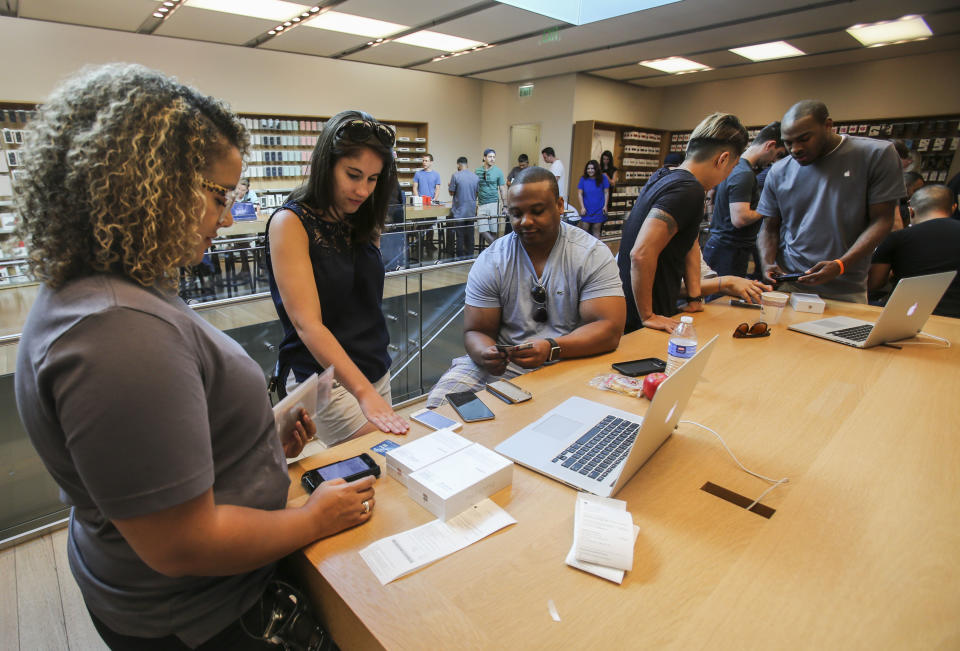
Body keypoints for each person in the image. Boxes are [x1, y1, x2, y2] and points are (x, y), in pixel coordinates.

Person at [14, 64, 373, 650]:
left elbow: (146, 462)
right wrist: (312, 519)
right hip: (205, 615)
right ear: (146, 183)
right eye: (218, 195)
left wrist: (250, 442)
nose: (227, 217)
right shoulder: (117, 332)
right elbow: (181, 542)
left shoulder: (107, 290)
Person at [426, 166, 625, 407]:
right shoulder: (493, 259)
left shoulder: (591, 254)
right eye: (516, 213)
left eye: (537, 211)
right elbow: (476, 330)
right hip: (506, 366)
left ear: (560, 206)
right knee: (438, 407)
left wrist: (552, 348)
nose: (525, 222)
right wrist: (486, 354)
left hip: (571, 359)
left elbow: (609, 329)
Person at [266, 110, 409, 446]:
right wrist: (363, 392)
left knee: (379, 472)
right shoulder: (290, 223)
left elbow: (366, 300)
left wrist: (369, 388)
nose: (362, 190)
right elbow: (307, 325)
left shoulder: (362, 219)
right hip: (325, 379)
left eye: (372, 179)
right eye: (353, 175)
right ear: (325, 165)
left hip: (374, 367)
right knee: (383, 454)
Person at [757, 100, 905, 302]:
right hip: (791, 285)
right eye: (788, 142)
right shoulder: (778, 171)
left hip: (846, 288)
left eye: (804, 139)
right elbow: (769, 228)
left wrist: (841, 264)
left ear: (828, 125)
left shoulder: (875, 154)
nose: (795, 149)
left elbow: (883, 220)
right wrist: (767, 263)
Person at [618, 113, 749, 333]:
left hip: (642, 308)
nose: (728, 175)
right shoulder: (689, 190)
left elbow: (691, 243)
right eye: (732, 167)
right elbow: (641, 253)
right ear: (723, 159)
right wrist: (648, 315)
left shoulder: (665, 175)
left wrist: (694, 296)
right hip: (643, 318)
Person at [701, 122, 785, 278]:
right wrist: (767, 209)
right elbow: (740, 218)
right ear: (770, 145)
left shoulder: (734, 167)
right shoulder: (744, 173)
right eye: (778, 154)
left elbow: (712, 198)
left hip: (726, 247)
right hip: (729, 250)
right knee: (721, 299)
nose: (774, 160)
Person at [868, 184, 960, 317]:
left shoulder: (897, 238)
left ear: (911, 211)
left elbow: (874, 283)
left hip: (906, 316)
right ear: (953, 208)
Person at [448, 156, 479, 259]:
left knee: (460, 235)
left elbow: (452, 192)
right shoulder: (475, 177)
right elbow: (477, 193)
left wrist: (449, 186)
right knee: (470, 234)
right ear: (467, 164)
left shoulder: (455, 176)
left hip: (459, 210)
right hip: (471, 210)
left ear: (458, 165)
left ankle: (460, 256)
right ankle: (470, 255)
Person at [476, 148, 506, 246]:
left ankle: (493, 255)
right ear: (484, 158)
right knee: (482, 228)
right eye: (490, 157)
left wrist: (505, 205)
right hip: (481, 204)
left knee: (493, 231)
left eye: (494, 157)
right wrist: (474, 203)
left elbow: (502, 189)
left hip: (494, 203)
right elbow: (475, 188)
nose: (492, 159)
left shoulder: (498, 171)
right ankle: (497, 248)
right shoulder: (477, 171)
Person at [413, 153, 442, 249]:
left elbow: (437, 189)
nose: (424, 162)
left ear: (431, 162)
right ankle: (419, 244)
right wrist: (418, 199)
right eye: (423, 160)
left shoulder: (436, 174)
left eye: (426, 161)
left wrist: (435, 199)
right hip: (420, 204)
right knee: (420, 225)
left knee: (430, 225)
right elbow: (415, 188)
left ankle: (429, 243)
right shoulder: (418, 173)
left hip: (431, 204)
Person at [576, 159, 610, 238]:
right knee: (584, 229)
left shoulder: (603, 178)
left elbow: (606, 192)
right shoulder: (583, 179)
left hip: (599, 209)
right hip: (586, 209)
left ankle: (596, 249)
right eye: (588, 168)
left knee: (596, 229)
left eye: (592, 168)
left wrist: (605, 206)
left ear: (596, 169)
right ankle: (585, 249)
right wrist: (582, 207)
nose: (590, 170)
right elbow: (579, 194)